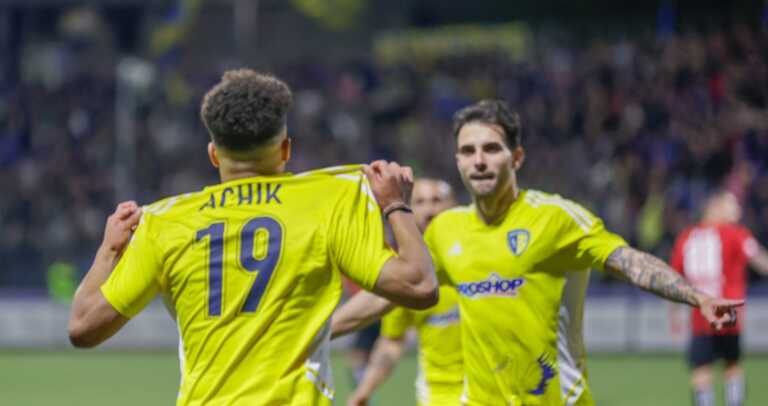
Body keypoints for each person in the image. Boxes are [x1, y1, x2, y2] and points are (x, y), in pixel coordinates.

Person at [333, 99, 743, 406]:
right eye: (468, 152)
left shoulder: (556, 218)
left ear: (517, 157)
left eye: (491, 149)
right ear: (457, 161)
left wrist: (696, 297)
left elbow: (629, 261)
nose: (479, 161)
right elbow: (393, 293)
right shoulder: (445, 230)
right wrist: (318, 332)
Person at [67, 69, 438, 405]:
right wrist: (395, 206)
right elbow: (419, 286)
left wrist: (109, 250)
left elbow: (83, 328)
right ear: (286, 149)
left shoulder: (165, 222)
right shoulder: (330, 200)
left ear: (213, 154)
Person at [334, 178, 462, 406]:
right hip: (437, 398)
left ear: (453, 205)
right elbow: (392, 341)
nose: (429, 211)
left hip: (493, 392)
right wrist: (363, 392)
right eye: (420, 202)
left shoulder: (478, 251)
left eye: (436, 200)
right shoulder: (411, 269)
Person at [670, 190, 768, 406]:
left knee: (701, 370)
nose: (738, 210)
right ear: (714, 207)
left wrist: (674, 312)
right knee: (732, 365)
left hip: (700, 317)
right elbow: (759, 259)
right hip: (729, 313)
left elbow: (674, 279)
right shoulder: (735, 233)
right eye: (732, 205)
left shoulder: (686, 237)